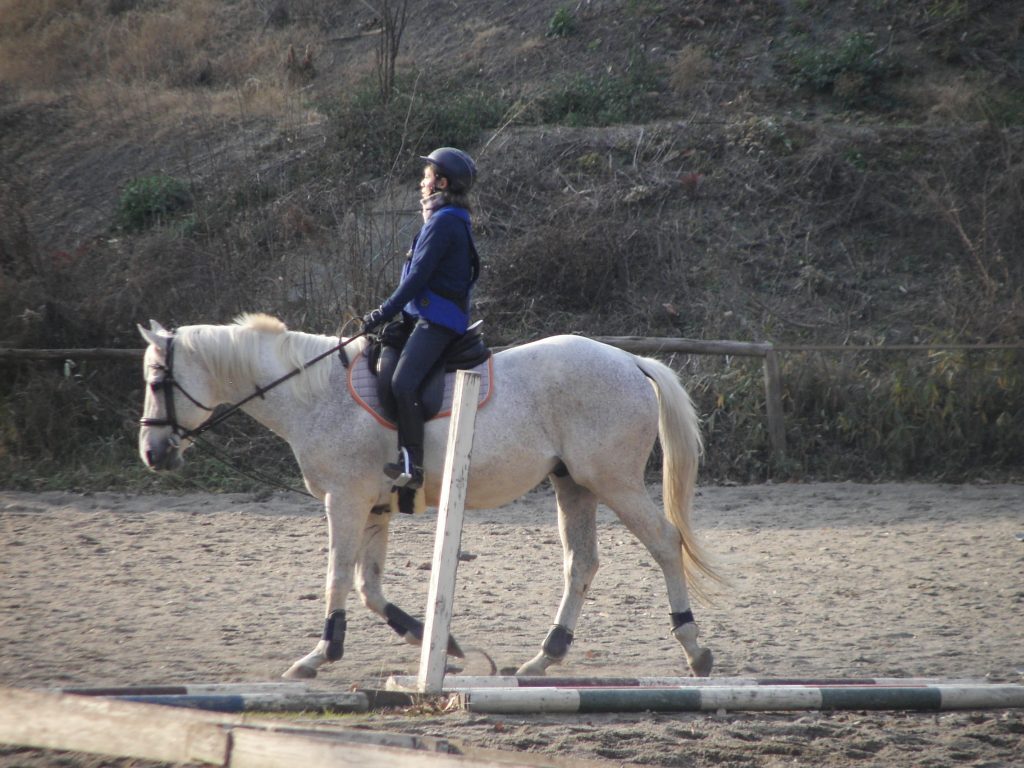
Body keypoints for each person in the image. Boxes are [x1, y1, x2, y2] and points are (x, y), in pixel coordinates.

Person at [362, 147, 480, 490]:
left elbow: (416, 278)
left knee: (403, 382)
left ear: (441, 183)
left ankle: (412, 464)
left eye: (427, 177)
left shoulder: (444, 222)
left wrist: (382, 312)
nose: (421, 182)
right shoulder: (443, 218)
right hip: (422, 316)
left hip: (438, 321)